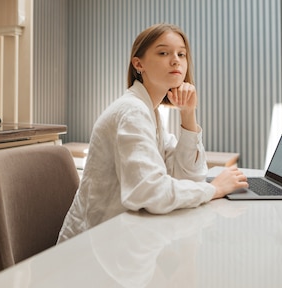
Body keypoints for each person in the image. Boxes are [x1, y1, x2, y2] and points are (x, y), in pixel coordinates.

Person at [58, 23, 248, 243]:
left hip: (122, 238)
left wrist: (188, 114)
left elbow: (187, 175)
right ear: (139, 64)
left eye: (181, 54)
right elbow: (150, 193)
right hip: (95, 247)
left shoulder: (151, 112)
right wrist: (213, 189)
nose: (176, 60)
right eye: (163, 52)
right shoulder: (133, 112)